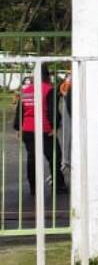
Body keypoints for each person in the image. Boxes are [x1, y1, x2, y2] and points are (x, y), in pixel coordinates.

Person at [15, 65, 67, 195]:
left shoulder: (25, 91)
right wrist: (55, 126)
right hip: (44, 129)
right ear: (47, 75)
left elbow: (19, 111)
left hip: (27, 129)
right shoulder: (49, 90)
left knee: (32, 158)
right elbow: (52, 110)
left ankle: (34, 188)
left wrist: (18, 127)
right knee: (55, 156)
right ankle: (59, 186)